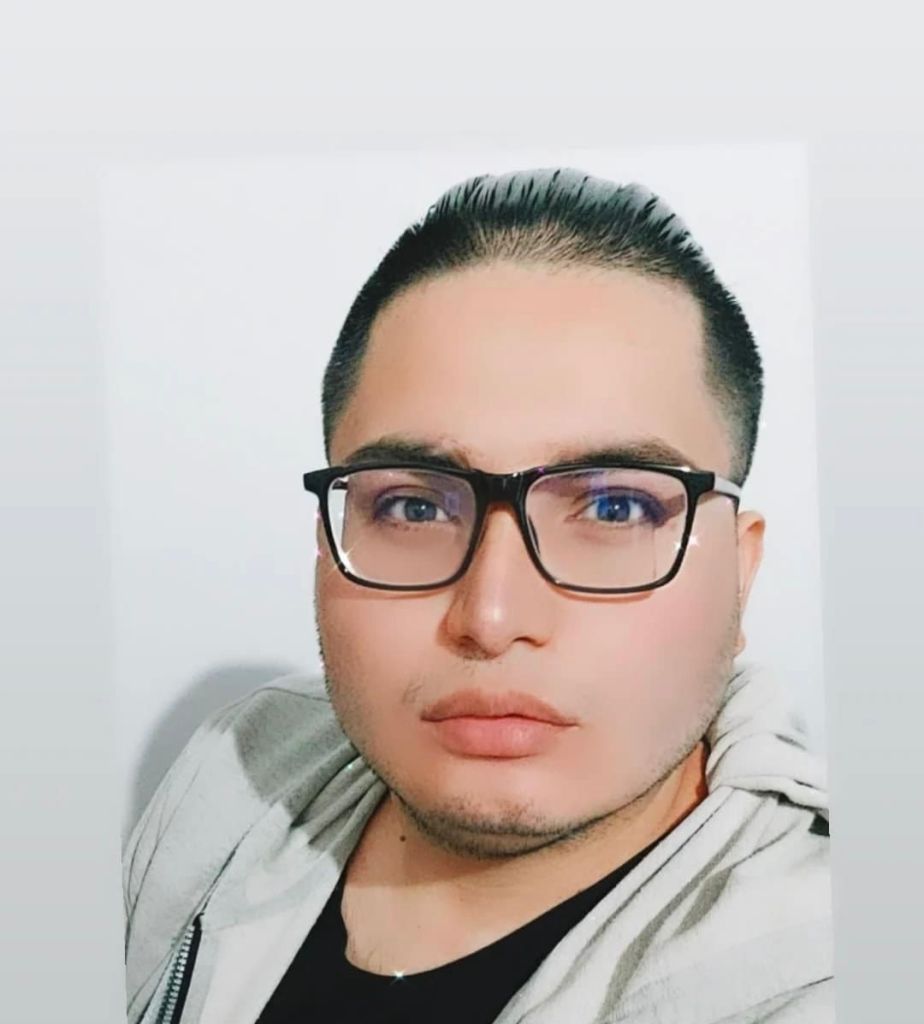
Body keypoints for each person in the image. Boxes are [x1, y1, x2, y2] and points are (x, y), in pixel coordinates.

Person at [122, 169, 833, 1023]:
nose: (492, 620)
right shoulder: (234, 768)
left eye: (616, 507)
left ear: (740, 574)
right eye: (414, 506)